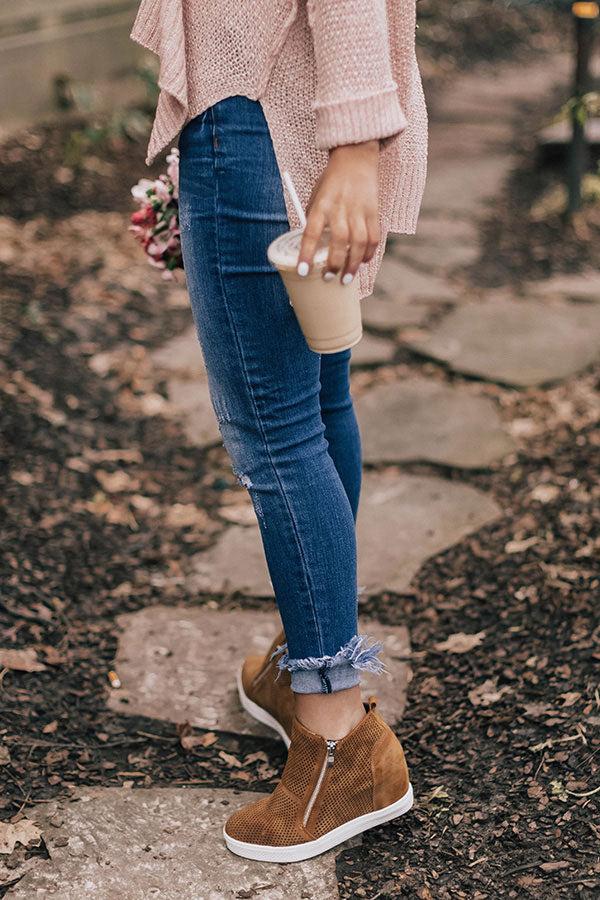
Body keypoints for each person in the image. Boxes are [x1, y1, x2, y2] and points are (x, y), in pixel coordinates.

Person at [131, 0, 427, 862]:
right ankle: (312, 653)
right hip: (272, 107)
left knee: (275, 429)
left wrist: (357, 144)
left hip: (260, 113)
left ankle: (339, 736)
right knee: (316, 399)